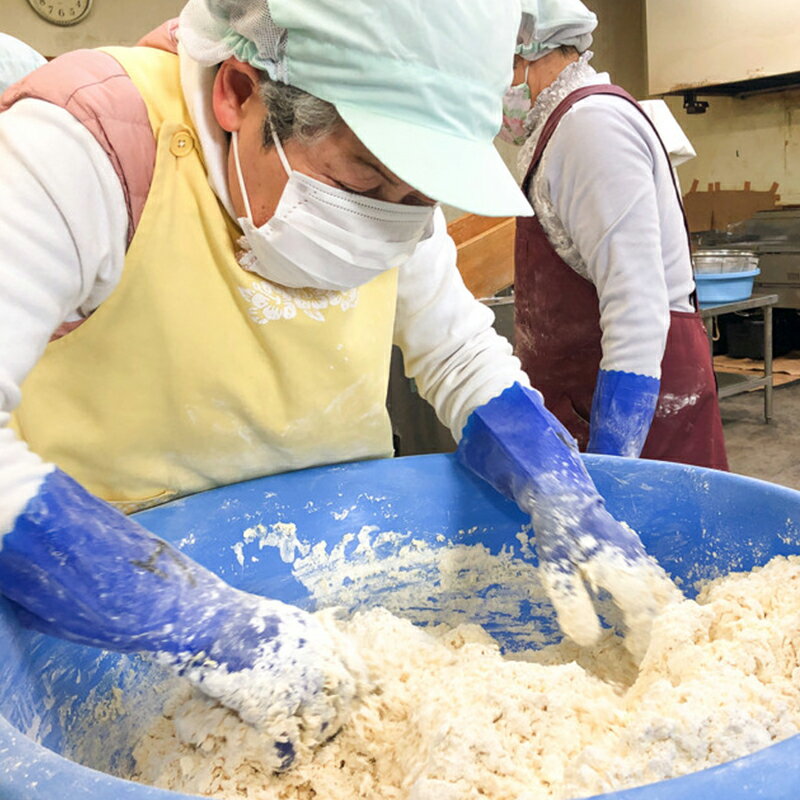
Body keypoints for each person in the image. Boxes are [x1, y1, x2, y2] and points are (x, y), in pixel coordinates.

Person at [0, 0, 677, 770]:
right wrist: (204, 623)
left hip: (338, 600)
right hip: (104, 621)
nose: (394, 217)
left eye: (418, 195)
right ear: (238, 92)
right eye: (364, 177)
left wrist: (558, 486)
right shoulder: (80, 147)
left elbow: (460, 355)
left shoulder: (398, 206)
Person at [503, 0, 728, 470]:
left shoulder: (591, 127)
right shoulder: (559, 125)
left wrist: (615, 462)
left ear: (525, 51)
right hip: (579, 398)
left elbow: (637, 306)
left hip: (637, 410)